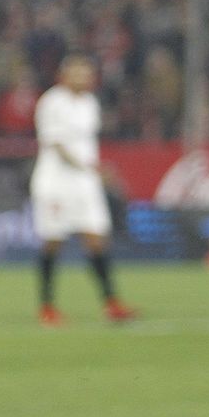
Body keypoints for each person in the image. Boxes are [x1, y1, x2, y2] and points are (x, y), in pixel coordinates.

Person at [29, 54, 136, 325]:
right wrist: (93, 168)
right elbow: (57, 146)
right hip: (55, 182)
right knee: (53, 242)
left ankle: (112, 302)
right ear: (64, 75)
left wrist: (92, 171)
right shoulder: (52, 102)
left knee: (96, 238)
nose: (85, 77)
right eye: (78, 72)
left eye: (87, 72)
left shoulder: (89, 103)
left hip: (85, 183)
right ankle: (47, 306)